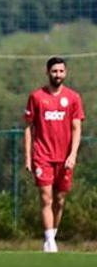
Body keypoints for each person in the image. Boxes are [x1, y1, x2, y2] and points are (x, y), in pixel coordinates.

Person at [24, 57, 84, 253]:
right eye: (54, 71)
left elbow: (77, 128)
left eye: (61, 71)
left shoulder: (73, 98)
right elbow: (28, 128)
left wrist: (73, 154)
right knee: (46, 198)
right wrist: (28, 157)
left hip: (64, 158)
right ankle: (50, 241)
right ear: (47, 72)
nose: (57, 74)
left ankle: (52, 236)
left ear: (65, 73)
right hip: (42, 156)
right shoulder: (36, 97)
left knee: (59, 200)